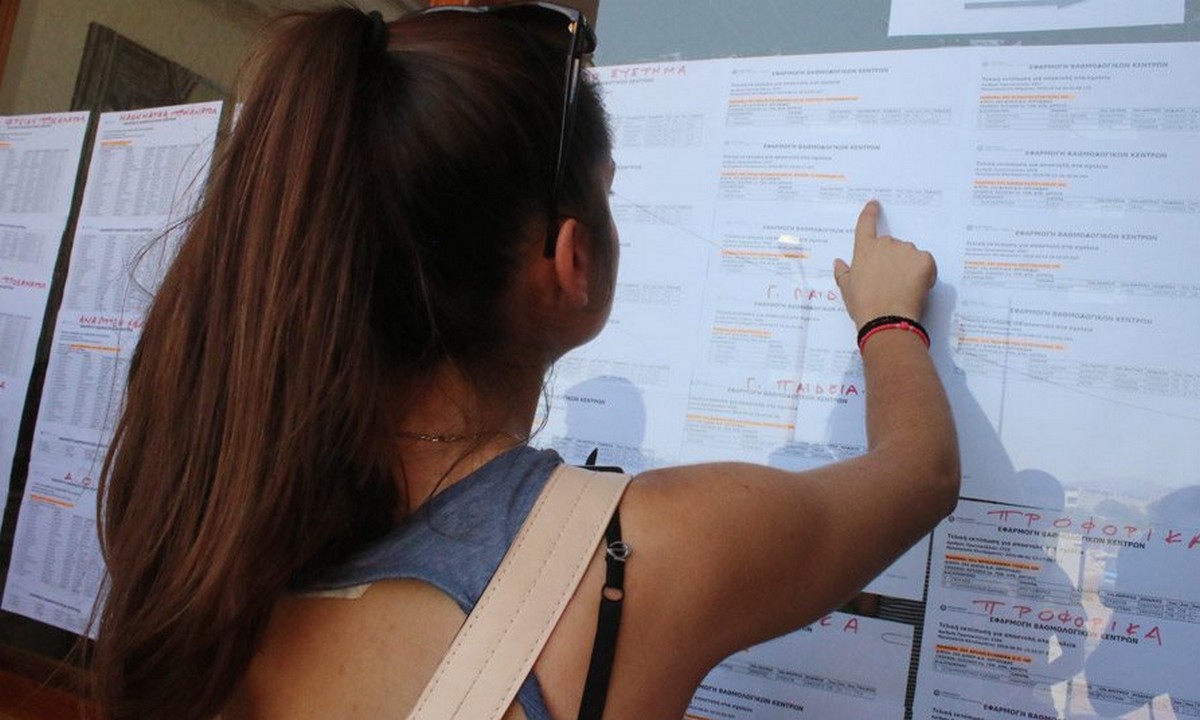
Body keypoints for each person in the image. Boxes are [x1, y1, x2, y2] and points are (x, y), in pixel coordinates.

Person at [92, 5, 960, 720]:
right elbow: (919, 473)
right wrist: (888, 319)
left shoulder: (218, 517)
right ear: (569, 260)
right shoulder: (641, 555)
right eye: (607, 193)